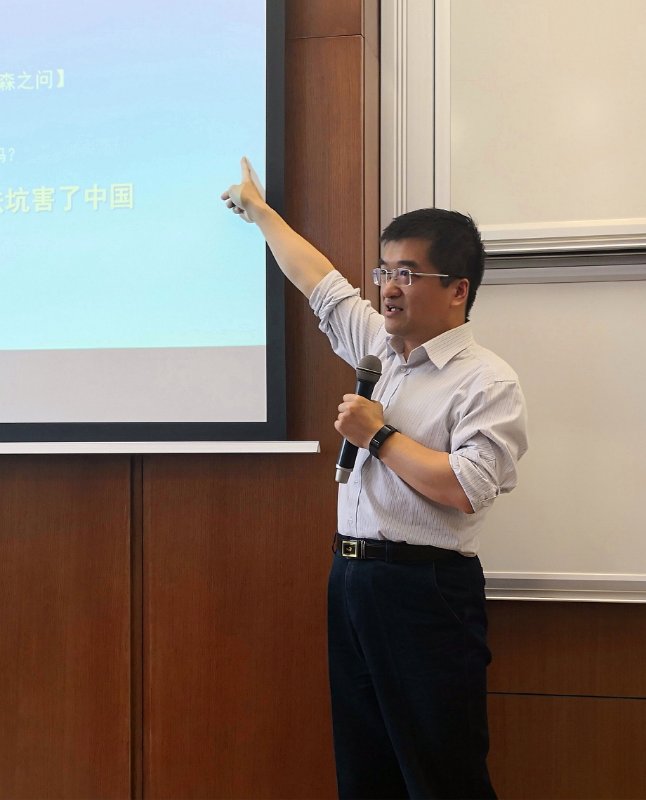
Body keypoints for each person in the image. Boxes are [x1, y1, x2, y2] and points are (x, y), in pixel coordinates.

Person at [222, 157, 528, 800]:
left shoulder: (486, 380)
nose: (389, 287)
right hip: (352, 580)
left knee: (441, 776)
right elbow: (320, 281)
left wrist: (379, 437)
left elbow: (466, 487)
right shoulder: (378, 349)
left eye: (408, 273)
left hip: (427, 591)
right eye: (385, 270)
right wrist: (261, 212)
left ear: (458, 290)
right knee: (365, 772)